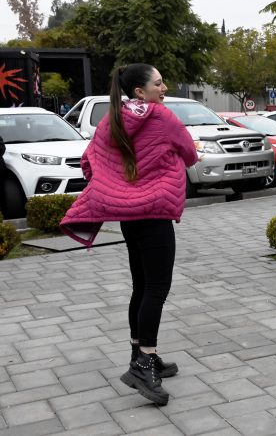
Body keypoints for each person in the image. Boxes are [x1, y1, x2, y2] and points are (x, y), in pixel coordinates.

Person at [60, 63, 199, 404]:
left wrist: (119, 183)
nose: (164, 88)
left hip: (128, 217)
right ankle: (143, 365)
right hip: (154, 214)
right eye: (159, 83)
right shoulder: (162, 117)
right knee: (157, 289)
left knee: (141, 286)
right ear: (141, 91)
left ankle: (142, 355)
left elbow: (89, 161)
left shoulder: (112, 119)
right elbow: (191, 154)